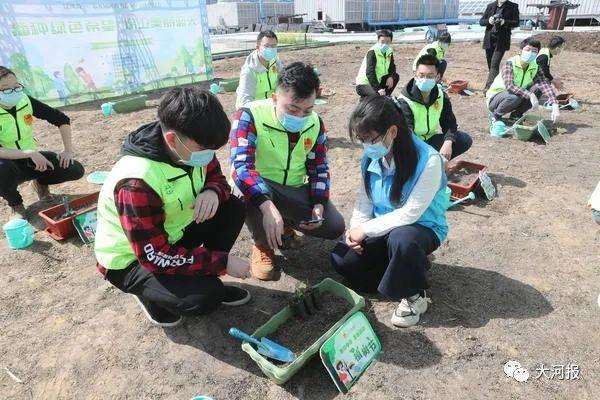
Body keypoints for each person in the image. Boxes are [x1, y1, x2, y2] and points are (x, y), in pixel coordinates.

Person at [94, 87, 251, 328]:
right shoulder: (136, 182)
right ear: (171, 139)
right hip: (132, 259)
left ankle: (201, 278)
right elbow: (153, 256)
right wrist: (222, 262)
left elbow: (217, 179)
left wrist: (212, 190)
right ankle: (150, 293)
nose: (209, 156)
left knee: (232, 207)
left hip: (172, 233)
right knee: (205, 298)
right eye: (204, 149)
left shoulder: (191, 146)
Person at [331, 95, 449, 328]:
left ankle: (416, 295)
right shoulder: (370, 157)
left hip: (422, 228)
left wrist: (365, 229)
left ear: (392, 131)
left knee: (402, 239)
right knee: (342, 260)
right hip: (382, 227)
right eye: (362, 140)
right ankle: (403, 267)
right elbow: (364, 199)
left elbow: (410, 215)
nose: (366, 146)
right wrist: (356, 228)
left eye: (369, 139)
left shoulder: (429, 161)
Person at [230, 62, 345, 281]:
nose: (300, 117)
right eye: (292, 109)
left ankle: (283, 226)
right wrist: (267, 206)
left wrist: (319, 204)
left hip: (294, 188)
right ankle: (262, 245)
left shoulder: (315, 124)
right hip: (262, 189)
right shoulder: (249, 116)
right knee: (241, 187)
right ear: (275, 98)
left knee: (334, 225)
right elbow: (241, 167)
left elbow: (319, 168)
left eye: (308, 109)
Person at [0, 66, 84, 220]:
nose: (13, 92)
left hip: (33, 160)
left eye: (16, 86)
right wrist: (30, 153)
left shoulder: (24, 100)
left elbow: (61, 119)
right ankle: (16, 205)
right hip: (8, 164)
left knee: (75, 169)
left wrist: (67, 150)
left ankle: (40, 183)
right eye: (5, 89)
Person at [396, 54, 472, 162]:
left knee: (463, 140)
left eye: (430, 76)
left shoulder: (440, 95)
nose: (425, 79)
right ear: (415, 76)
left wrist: (448, 142)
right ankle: (428, 163)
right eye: (421, 75)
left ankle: (437, 162)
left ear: (437, 77)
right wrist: (431, 154)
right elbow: (407, 135)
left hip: (430, 139)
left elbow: (449, 122)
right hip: (412, 144)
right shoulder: (404, 101)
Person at [487, 37, 560, 124]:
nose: (531, 53)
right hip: (496, 99)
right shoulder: (510, 63)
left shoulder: (535, 66)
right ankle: (496, 116)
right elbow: (509, 86)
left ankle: (516, 115)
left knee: (538, 88)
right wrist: (530, 94)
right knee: (515, 95)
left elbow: (544, 84)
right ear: (520, 51)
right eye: (528, 49)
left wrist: (555, 104)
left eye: (534, 51)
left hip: (517, 96)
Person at [235, 30, 283, 109]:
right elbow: (243, 104)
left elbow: (284, 80)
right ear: (257, 47)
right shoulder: (249, 71)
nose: (270, 49)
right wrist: (269, 103)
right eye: (266, 46)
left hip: (274, 108)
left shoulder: (275, 61)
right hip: (256, 112)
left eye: (274, 46)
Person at [480, 0, 520, 90]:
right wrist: (489, 21)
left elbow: (517, 22)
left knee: (494, 63)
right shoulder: (490, 6)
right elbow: (481, 22)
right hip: (489, 40)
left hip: (502, 41)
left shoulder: (513, 6)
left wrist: (504, 22)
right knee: (491, 65)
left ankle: (489, 87)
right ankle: (497, 83)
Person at [355, 29, 399, 97]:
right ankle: (381, 97)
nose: (385, 44)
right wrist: (378, 88)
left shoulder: (389, 51)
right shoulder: (372, 52)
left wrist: (391, 77)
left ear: (391, 42)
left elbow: (392, 66)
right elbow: (370, 72)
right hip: (364, 84)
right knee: (378, 96)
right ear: (378, 41)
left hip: (377, 81)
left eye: (387, 42)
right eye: (382, 42)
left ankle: (386, 97)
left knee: (395, 76)